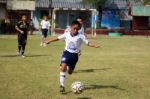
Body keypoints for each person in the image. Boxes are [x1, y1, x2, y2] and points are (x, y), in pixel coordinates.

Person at [45, 21, 99, 93]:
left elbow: (88, 43)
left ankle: (66, 69)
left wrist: (94, 45)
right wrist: (49, 41)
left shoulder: (81, 36)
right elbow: (58, 38)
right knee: (63, 66)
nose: (75, 30)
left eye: (77, 29)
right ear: (71, 27)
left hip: (75, 56)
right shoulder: (67, 34)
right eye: (74, 28)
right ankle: (62, 85)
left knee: (70, 72)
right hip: (66, 53)